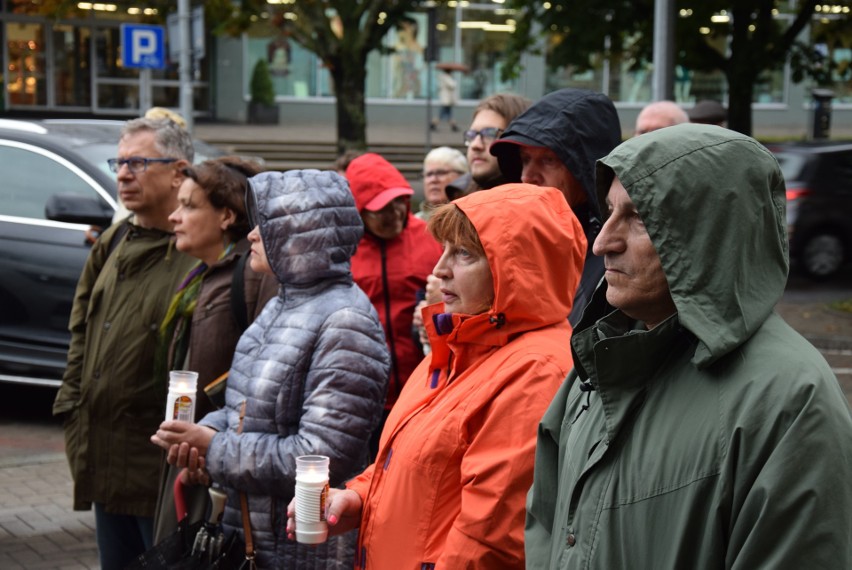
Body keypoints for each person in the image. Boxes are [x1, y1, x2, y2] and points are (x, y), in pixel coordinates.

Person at [525, 124, 852, 569]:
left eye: (639, 216)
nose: (603, 242)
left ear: (711, 231)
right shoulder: (602, 358)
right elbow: (546, 525)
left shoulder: (789, 398)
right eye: (609, 214)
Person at [287, 183, 587, 568]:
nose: (439, 269)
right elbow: (415, 472)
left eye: (463, 253)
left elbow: (489, 542)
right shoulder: (459, 345)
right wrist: (359, 498)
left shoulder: (536, 371)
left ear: (518, 266)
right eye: (444, 249)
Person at [151, 169, 391, 569]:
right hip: (255, 537)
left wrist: (214, 449)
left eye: (268, 224)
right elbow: (245, 411)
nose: (252, 234)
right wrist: (207, 431)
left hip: (302, 547)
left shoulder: (346, 322)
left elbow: (320, 457)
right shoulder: (282, 304)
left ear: (304, 234)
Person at [52, 117, 197, 570]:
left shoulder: (196, 252)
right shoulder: (113, 241)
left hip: (160, 469)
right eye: (120, 162)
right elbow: (82, 335)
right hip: (104, 456)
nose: (122, 174)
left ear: (178, 171)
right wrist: (74, 407)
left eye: (138, 162)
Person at [151, 156, 278, 543]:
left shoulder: (251, 275)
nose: (175, 216)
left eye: (189, 206)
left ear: (226, 216)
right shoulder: (201, 277)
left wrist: (217, 445)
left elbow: (260, 382)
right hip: (192, 449)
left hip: (217, 463)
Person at [490, 88, 622, 326]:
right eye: (525, 159)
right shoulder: (512, 241)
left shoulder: (614, 254)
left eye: (548, 160)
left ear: (585, 168)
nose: (527, 176)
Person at [345, 153, 443, 454]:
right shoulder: (346, 248)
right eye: (381, 209)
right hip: (364, 393)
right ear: (360, 211)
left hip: (426, 384)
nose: (395, 213)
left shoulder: (430, 238)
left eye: (399, 202)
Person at [445, 92, 532, 198]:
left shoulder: (538, 206)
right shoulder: (457, 199)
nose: (475, 145)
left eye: (490, 133)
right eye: (472, 134)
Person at [415, 145, 468, 221]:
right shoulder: (415, 223)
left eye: (440, 173)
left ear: (462, 178)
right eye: (429, 174)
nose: (433, 180)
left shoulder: (471, 221)